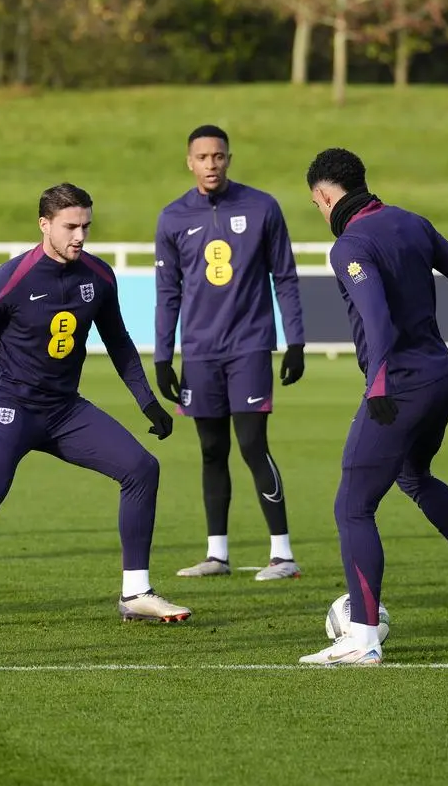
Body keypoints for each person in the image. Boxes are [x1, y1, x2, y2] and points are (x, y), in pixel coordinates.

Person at [300, 147, 448, 666]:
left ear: (324, 196)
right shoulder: (411, 222)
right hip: (442, 379)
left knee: (353, 505)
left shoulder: (349, 245)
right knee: (414, 475)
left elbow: (377, 321)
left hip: (401, 385)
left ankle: (363, 638)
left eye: (317, 206)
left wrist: (380, 384)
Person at [0, 182, 190, 637]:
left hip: (64, 411)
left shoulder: (98, 277)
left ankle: (135, 594)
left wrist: (147, 402)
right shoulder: (9, 279)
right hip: (9, 408)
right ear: (44, 225)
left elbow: (119, 342)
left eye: (86, 226)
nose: (80, 236)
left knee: (142, 468)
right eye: (70, 227)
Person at [153, 125, 307, 581]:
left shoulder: (262, 207)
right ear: (190, 162)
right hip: (199, 353)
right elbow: (167, 291)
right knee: (211, 449)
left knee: (253, 445)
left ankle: (283, 554)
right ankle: (217, 555)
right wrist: (163, 355)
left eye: (218, 156)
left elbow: (286, 277)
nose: (211, 164)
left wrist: (295, 340)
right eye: (202, 157)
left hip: (249, 346)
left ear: (229, 158)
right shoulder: (172, 217)